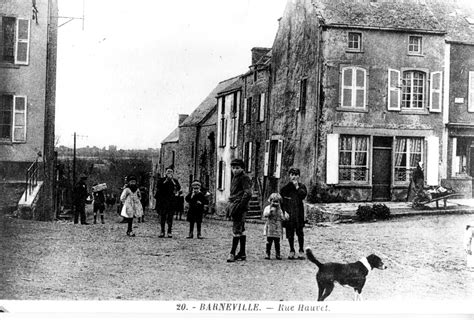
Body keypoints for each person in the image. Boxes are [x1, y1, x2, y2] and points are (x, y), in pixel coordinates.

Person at [226, 159, 252, 263]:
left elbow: (248, 193)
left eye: (237, 168)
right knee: (241, 229)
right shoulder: (235, 178)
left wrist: (241, 204)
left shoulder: (244, 178)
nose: (235, 170)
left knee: (236, 229)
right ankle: (242, 253)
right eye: (233, 168)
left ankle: (232, 253)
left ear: (242, 168)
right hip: (235, 204)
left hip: (239, 206)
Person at [280, 167, 307, 260]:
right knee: (290, 233)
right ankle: (291, 250)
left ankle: (301, 250)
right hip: (289, 214)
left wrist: (297, 187)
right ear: (289, 176)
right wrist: (284, 212)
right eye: (292, 175)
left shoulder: (302, 187)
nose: (294, 177)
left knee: (300, 232)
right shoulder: (285, 188)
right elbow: (282, 202)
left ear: (299, 176)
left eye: (296, 175)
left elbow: (303, 195)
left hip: (298, 213)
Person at [154, 166, 181, 238]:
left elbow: (178, 188)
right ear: (165, 173)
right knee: (163, 216)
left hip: (171, 201)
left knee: (170, 217)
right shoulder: (161, 180)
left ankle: (169, 231)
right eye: (168, 172)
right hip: (163, 201)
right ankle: (162, 231)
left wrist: (172, 180)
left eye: (171, 172)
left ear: (173, 173)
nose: (169, 173)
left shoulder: (174, 181)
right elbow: (159, 187)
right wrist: (166, 181)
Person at [263, 193, 289, 260]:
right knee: (269, 241)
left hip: (277, 227)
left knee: (277, 242)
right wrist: (270, 212)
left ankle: (278, 253)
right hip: (270, 227)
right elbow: (265, 215)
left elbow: (284, 217)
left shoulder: (280, 210)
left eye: (277, 202)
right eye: (273, 201)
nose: (275, 203)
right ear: (270, 201)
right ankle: (267, 253)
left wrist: (285, 216)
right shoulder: (268, 208)